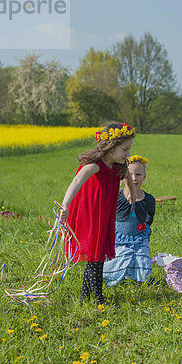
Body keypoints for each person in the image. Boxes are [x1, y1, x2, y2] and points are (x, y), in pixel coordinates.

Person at [60, 122, 137, 305]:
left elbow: (127, 177)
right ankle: (98, 299)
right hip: (92, 216)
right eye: (125, 149)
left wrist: (132, 194)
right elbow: (77, 180)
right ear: (110, 147)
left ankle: (85, 296)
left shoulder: (118, 167)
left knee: (98, 255)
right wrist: (65, 205)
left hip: (106, 216)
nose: (127, 154)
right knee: (96, 256)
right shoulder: (95, 166)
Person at [103, 155, 156, 285]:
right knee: (119, 259)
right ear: (123, 176)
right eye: (130, 174)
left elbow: (149, 219)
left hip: (139, 238)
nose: (134, 178)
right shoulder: (116, 197)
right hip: (119, 238)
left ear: (144, 176)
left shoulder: (148, 199)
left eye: (138, 174)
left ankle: (135, 277)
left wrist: (143, 229)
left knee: (143, 266)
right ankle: (118, 276)